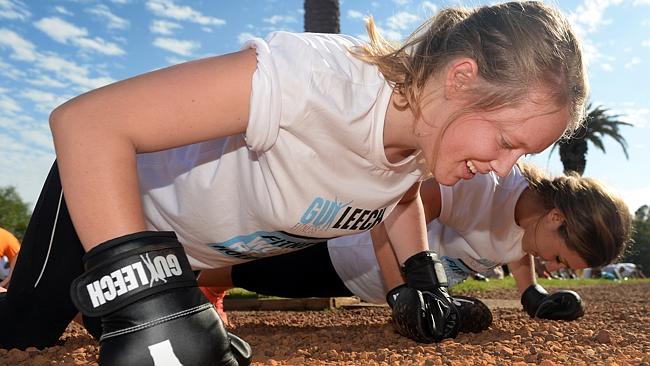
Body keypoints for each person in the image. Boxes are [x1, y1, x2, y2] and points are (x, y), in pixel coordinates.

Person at [1, 1, 587, 363]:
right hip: (104, 207)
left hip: (181, 259)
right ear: (462, 79)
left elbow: (396, 190)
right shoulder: (316, 80)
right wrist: (142, 296)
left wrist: (416, 278)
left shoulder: (424, 149)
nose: (509, 169)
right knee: (24, 331)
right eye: (509, 141)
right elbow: (85, 122)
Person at [197, 163, 632, 331]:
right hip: (354, 251)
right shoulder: (482, 186)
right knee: (259, 272)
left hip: (392, 281)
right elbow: (395, 210)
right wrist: (396, 292)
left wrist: (530, 292)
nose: (551, 264)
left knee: (271, 276)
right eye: (559, 257)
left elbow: (516, 247)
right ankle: (200, 286)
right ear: (556, 218)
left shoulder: (534, 224)